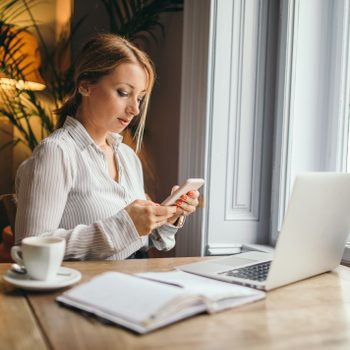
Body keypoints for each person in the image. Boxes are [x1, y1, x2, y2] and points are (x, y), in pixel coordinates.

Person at [15, 33, 200, 260]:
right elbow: (29, 249)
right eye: (123, 93)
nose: (135, 109)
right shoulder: (57, 152)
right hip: (85, 288)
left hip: (134, 278)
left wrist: (167, 218)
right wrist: (125, 225)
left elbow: (141, 240)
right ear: (85, 86)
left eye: (139, 98)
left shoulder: (128, 157)